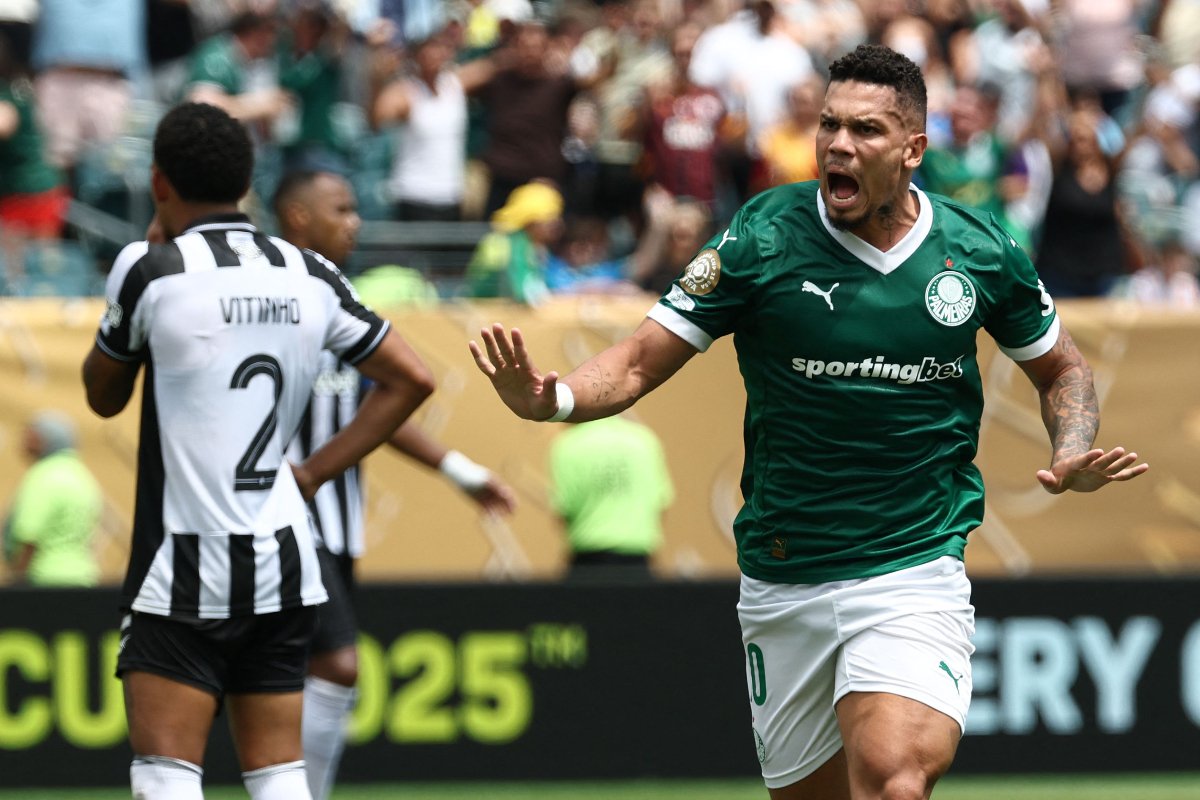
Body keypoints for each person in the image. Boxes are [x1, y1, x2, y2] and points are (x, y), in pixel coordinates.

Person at [469, 44, 1149, 799]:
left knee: (893, 778)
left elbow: (1064, 367)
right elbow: (634, 362)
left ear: (913, 150)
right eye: (830, 126)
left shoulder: (979, 250)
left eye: (865, 130)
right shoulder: (762, 236)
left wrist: (1073, 445)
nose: (838, 145)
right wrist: (553, 399)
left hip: (913, 565)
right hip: (784, 573)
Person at [81, 102, 435, 800]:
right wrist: (309, 473)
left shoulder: (152, 268)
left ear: (159, 181)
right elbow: (413, 378)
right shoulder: (310, 273)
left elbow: (103, 394)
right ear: (247, 182)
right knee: (278, 777)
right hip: (283, 557)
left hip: (181, 563)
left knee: (165, 777)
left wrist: (146, 256)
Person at [270, 167, 517, 800]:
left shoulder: (340, 297)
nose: (356, 220)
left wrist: (460, 471)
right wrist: (304, 477)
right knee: (335, 665)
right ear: (298, 218)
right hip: (283, 521)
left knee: (297, 675)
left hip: (333, 523)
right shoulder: (269, 296)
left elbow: (372, 407)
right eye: (342, 208)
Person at [549, 414, 673, 582]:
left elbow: (564, 512)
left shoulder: (567, 445)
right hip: (639, 563)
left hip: (588, 564)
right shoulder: (645, 440)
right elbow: (661, 505)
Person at [3, 411, 102, 587]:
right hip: (84, 579)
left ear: (47, 440)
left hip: (44, 583)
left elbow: (29, 537)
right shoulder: (82, 476)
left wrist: (16, 586)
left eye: (31, 434)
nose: (24, 440)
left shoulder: (43, 476)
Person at [464, 180, 564, 303]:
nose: (557, 225)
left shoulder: (534, 246)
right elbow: (520, 291)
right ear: (531, 221)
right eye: (550, 220)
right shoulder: (509, 243)